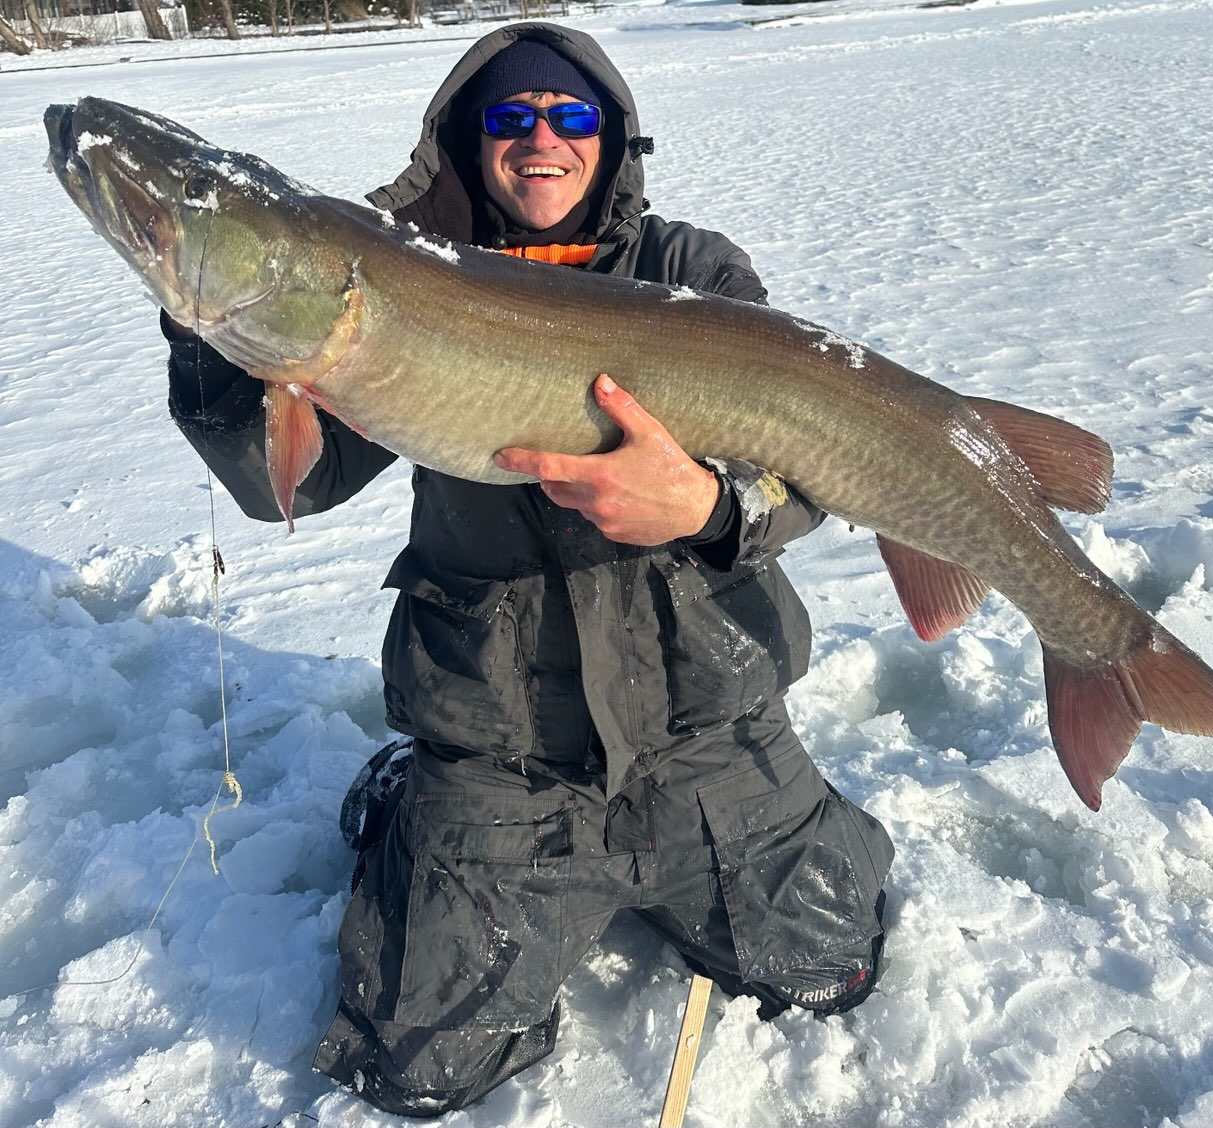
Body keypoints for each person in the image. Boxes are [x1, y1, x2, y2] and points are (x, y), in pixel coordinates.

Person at [162, 22, 894, 1117]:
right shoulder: (394, 287)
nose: (540, 139)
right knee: (418, 1068)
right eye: (509, 119)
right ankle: (410, 811)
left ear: (612, 137)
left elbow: (811, 471)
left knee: (828, 972)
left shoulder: (692, 273)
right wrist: (217, 350)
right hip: (503, 755)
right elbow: (294, 485)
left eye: (569, 116)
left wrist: (704, 505)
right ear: (469, 140)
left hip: (704, 732)